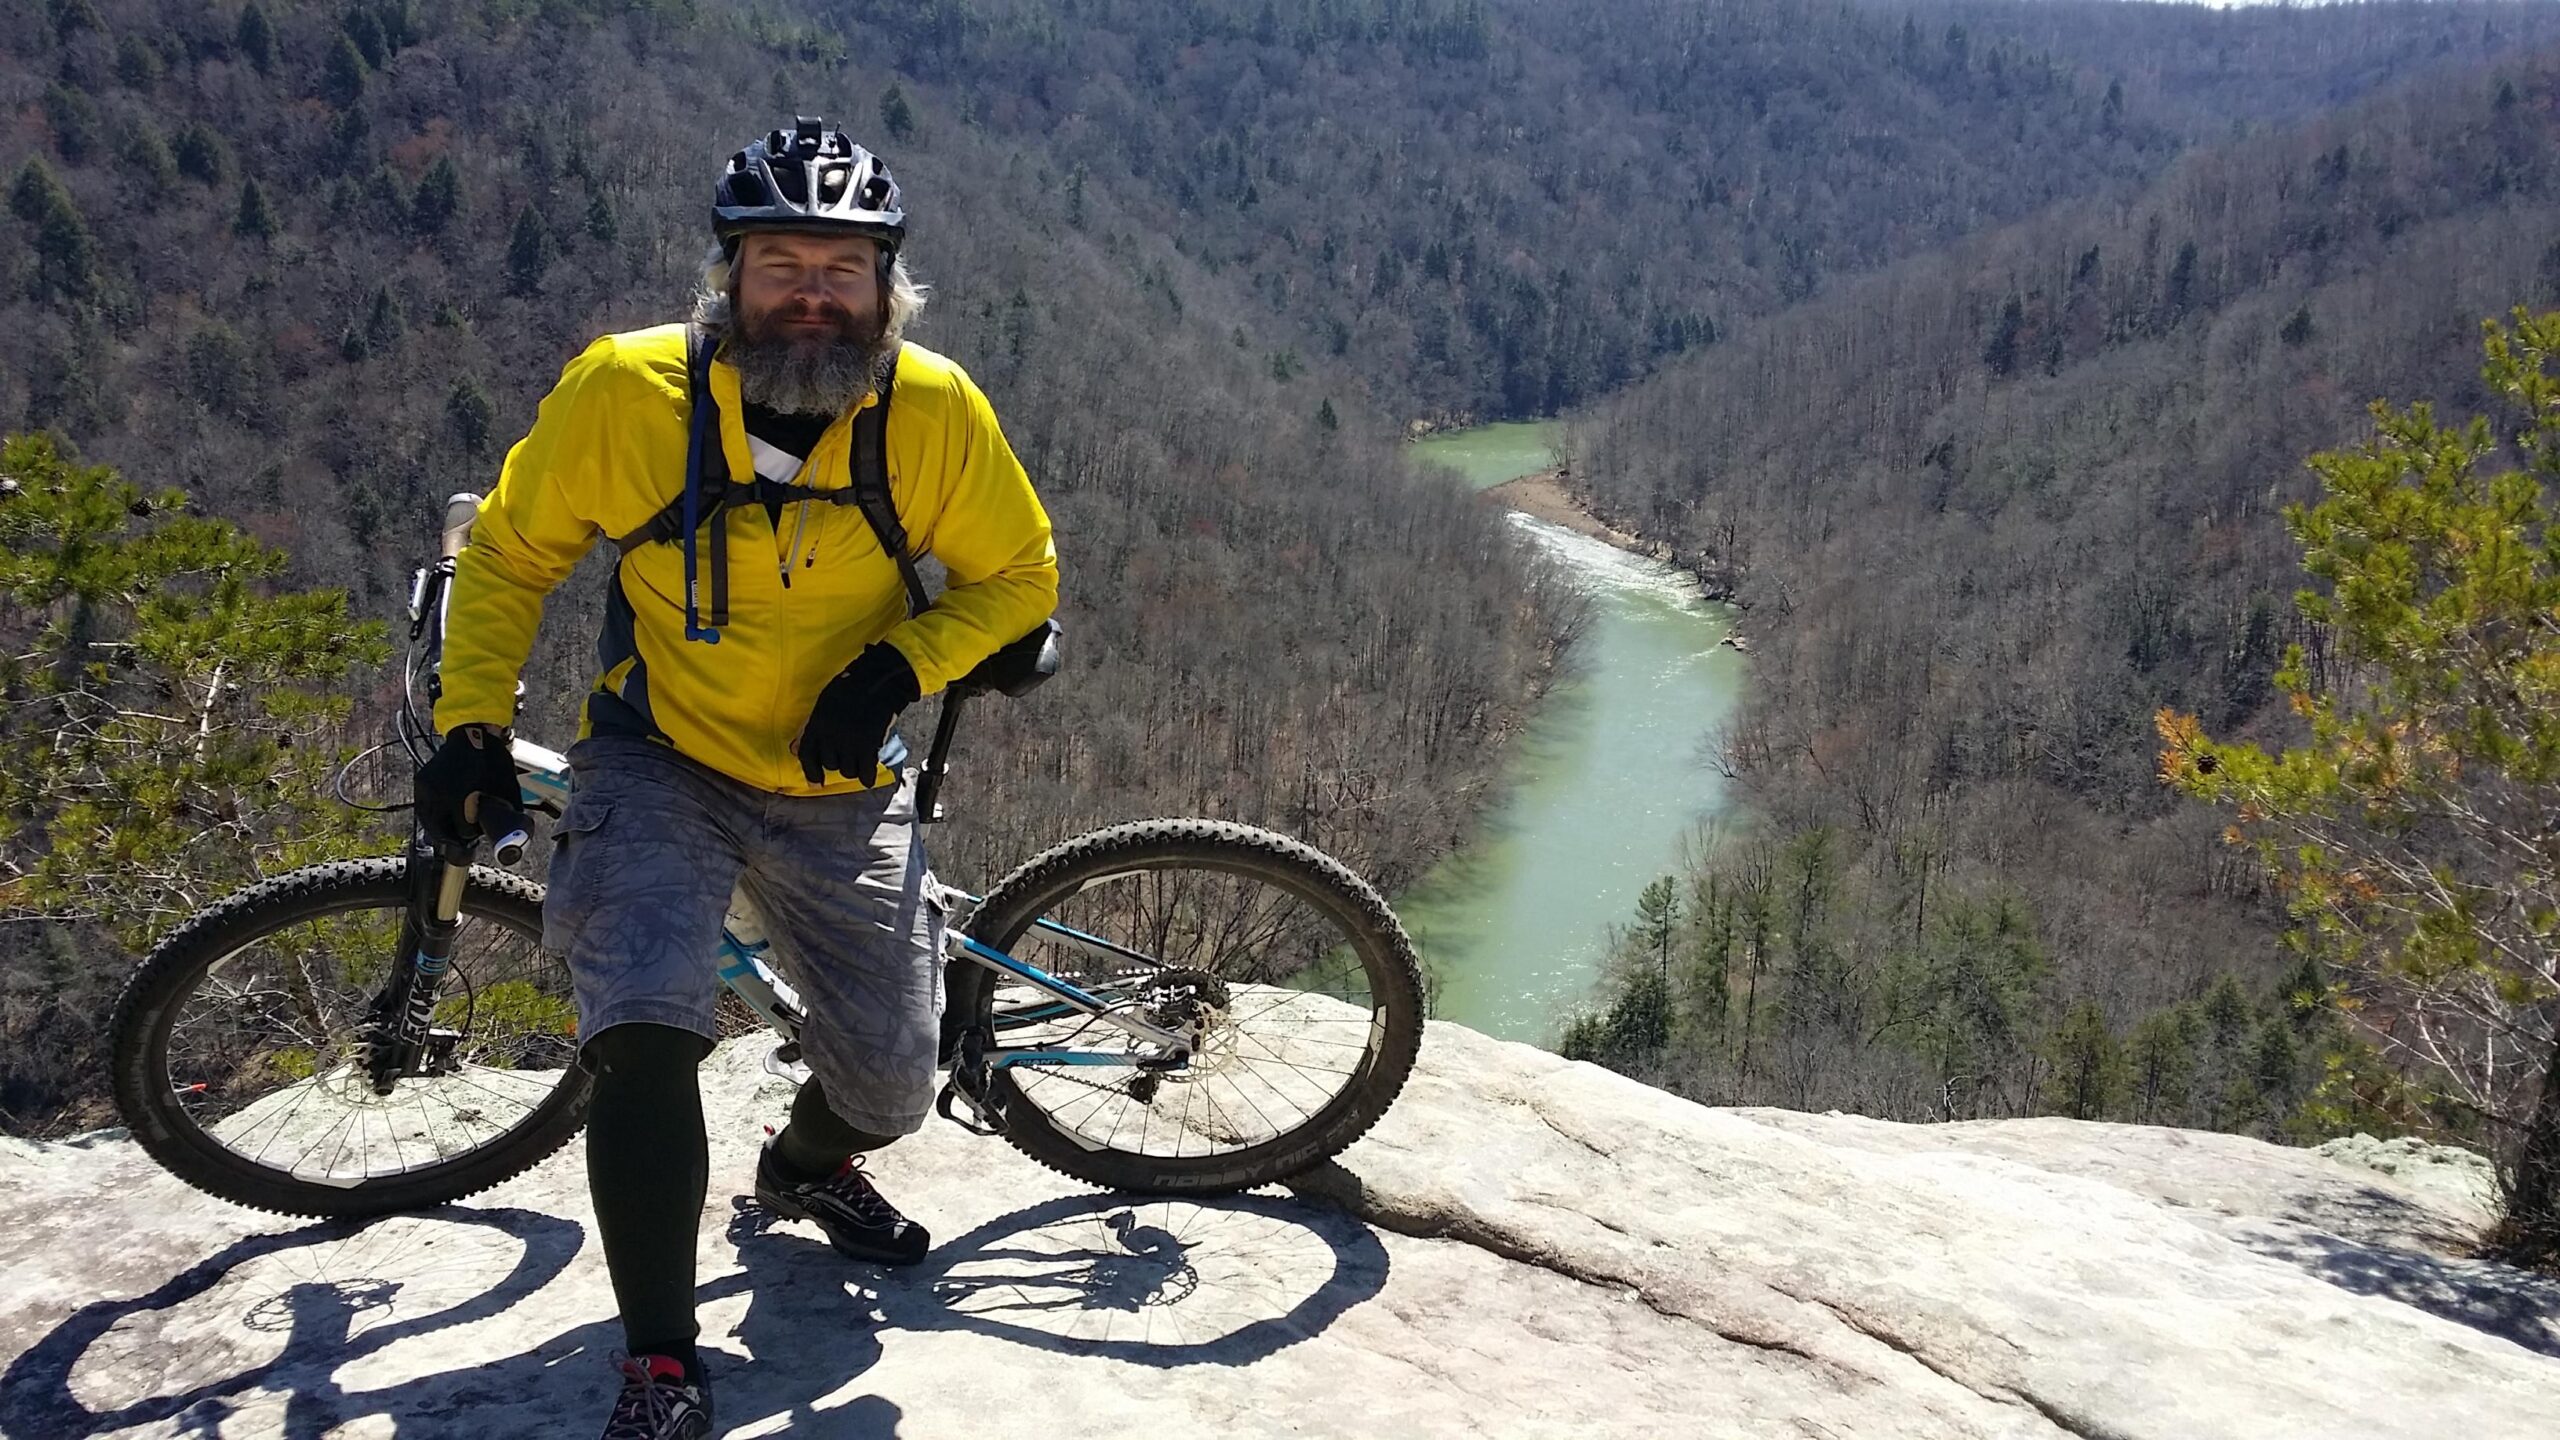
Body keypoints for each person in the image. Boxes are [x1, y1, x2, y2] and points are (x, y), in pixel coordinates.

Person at [416, 116, 1059, 1440]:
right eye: (781, 265)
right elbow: (513, 556)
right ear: (728, 276)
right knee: (647, 1022)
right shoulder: (625, 396)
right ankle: (660, 1362)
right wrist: (472, 726)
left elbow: (1022, 576)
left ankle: (808, 1167)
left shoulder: (931, 412)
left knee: (892, 1075)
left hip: (839, 777)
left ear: (888, 287)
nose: (812, 297)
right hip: (662, 754)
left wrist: (899, 667)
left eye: (843, 270)